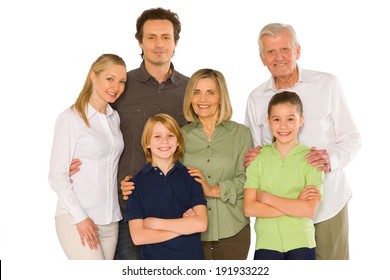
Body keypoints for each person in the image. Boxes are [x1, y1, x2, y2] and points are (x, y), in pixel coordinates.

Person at [69, 7, 188, 260]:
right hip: (127, 208)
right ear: (140, 42)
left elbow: (207, 136)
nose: (159, 44)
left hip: (179, 209)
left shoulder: (190, 90)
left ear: (175, 42)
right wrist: (73, 160)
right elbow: (88, 123)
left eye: (166, 37)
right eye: (151, 37)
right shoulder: (121, 85)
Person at [244, 23, 361, 260]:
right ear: (261, 58)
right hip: (279, 213)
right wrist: (251, 157)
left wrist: (331, 160)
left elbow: (352, 137)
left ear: (297, 51)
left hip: (326, 203)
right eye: (270, 52)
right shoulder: (256, 98)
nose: (279, 57)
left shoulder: (326, 84)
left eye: (285, 49)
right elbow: (255, 149)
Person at [48, 54, 127, 259]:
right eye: (110, 78)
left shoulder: (114, 118)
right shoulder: (70, 119)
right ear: (93, 76)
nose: (116, 86)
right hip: (78, 217)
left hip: (110, 220)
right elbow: (57, 175)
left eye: (121, 81)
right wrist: (81, 217)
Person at [244, 91, 324, 260]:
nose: (283, 126)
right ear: (268, 121)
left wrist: (266, 197)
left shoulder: (313, 160)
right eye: (276, 119)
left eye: (290, 119)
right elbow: (249, 208)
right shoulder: (258, 159)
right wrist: (295, 205)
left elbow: (309, 210)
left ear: (301, 120)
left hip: (302, 244)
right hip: (266, 245)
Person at [125, 113, 208, 260]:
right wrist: (184, 227)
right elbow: (138, 237)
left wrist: (155, 223)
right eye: (157, 136)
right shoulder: (135, 185)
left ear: (178, 142)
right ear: (147, 143)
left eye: (170, 135)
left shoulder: (191, 177)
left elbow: (201, 224)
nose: (164, 141)